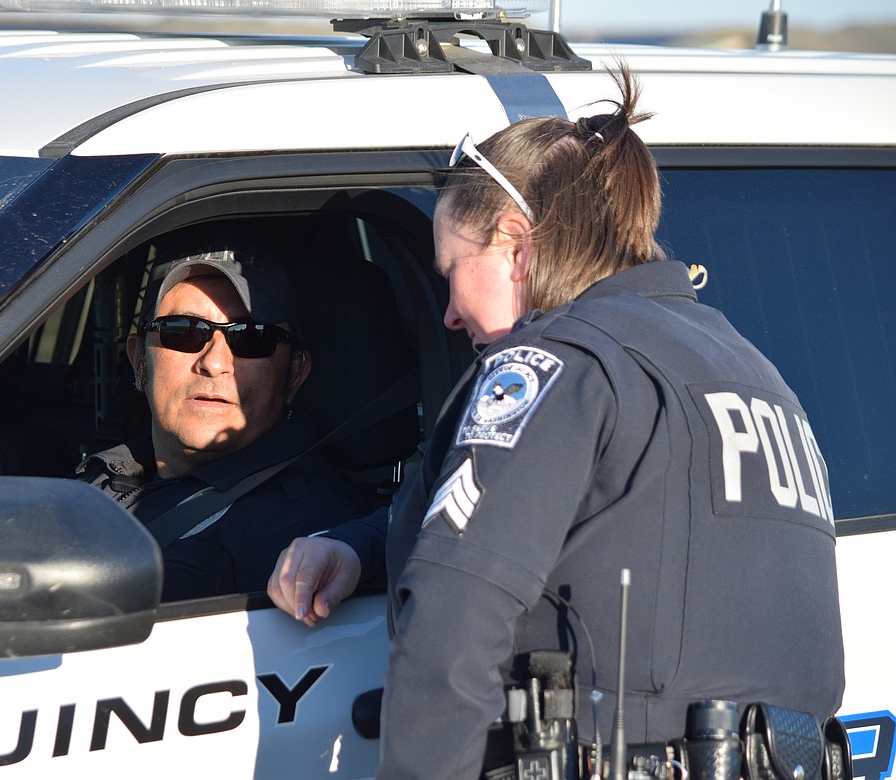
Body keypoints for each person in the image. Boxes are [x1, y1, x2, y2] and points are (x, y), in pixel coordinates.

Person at [268, 66, 844, 779]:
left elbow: (452, 627)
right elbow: (599, 526)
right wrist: (362, 547)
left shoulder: (553, 365)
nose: (448, 312)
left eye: (452, 268)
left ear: (515, 244)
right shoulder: (751, 372)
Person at [79, 237, 375, 601]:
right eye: (183, 330)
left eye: (253, 338)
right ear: (139, 360)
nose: (215, 362)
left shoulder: (306, 538)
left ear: (294, 374)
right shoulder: (100, 472)